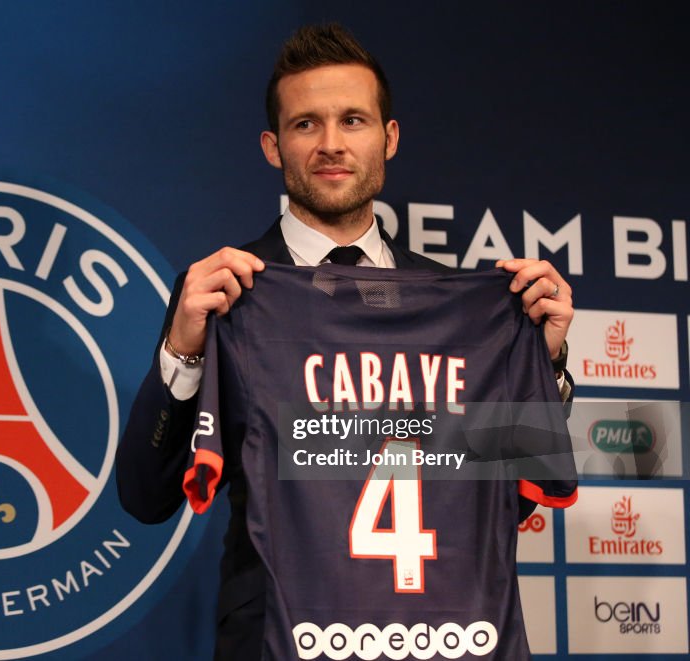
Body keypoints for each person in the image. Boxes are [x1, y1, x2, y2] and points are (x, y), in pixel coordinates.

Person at [116, 23, 575, 659]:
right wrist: (185, 352)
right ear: (273, 147)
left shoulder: (460, 302)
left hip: (446, 635)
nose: (331, 144)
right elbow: (145, 496)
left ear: (388, 138)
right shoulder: (224, 293)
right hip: (282, 640)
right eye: (306, 125)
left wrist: (542, 358)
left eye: (353, 120)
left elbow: (515, 469)